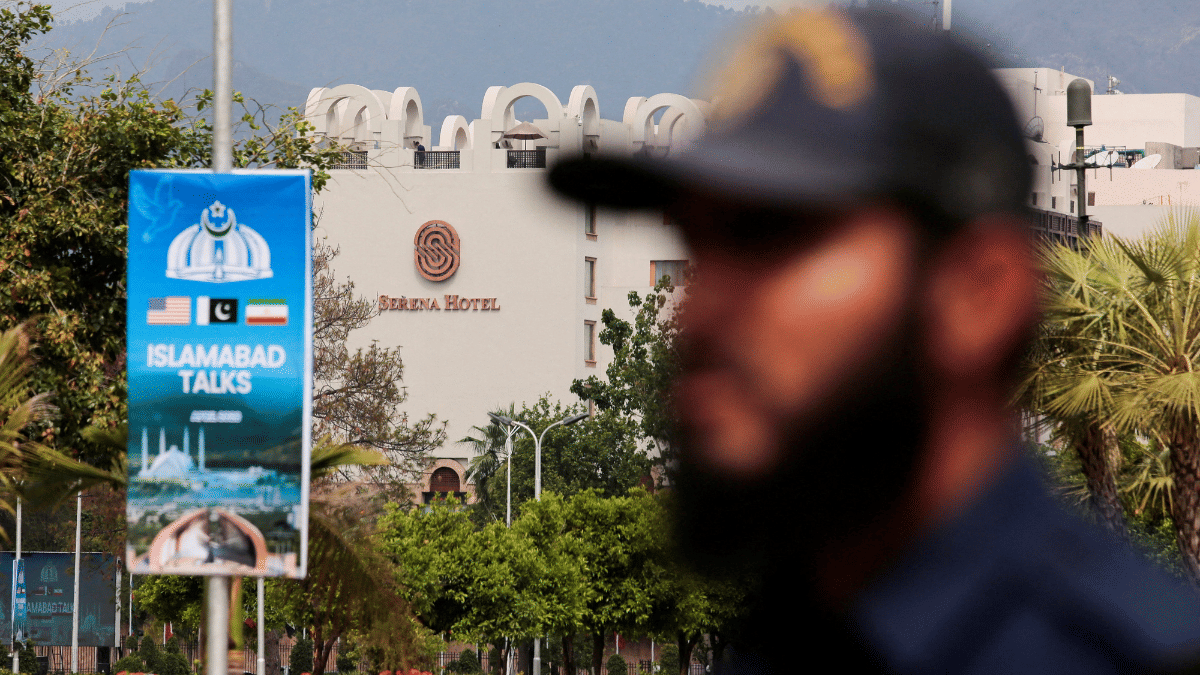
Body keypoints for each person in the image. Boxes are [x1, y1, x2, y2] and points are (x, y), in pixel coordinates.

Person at [549, 6, 1200, 673]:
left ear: (980, 293)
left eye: (768, 236)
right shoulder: (788, 643)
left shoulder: (1115, 655)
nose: (694, 314)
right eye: (694, 243)